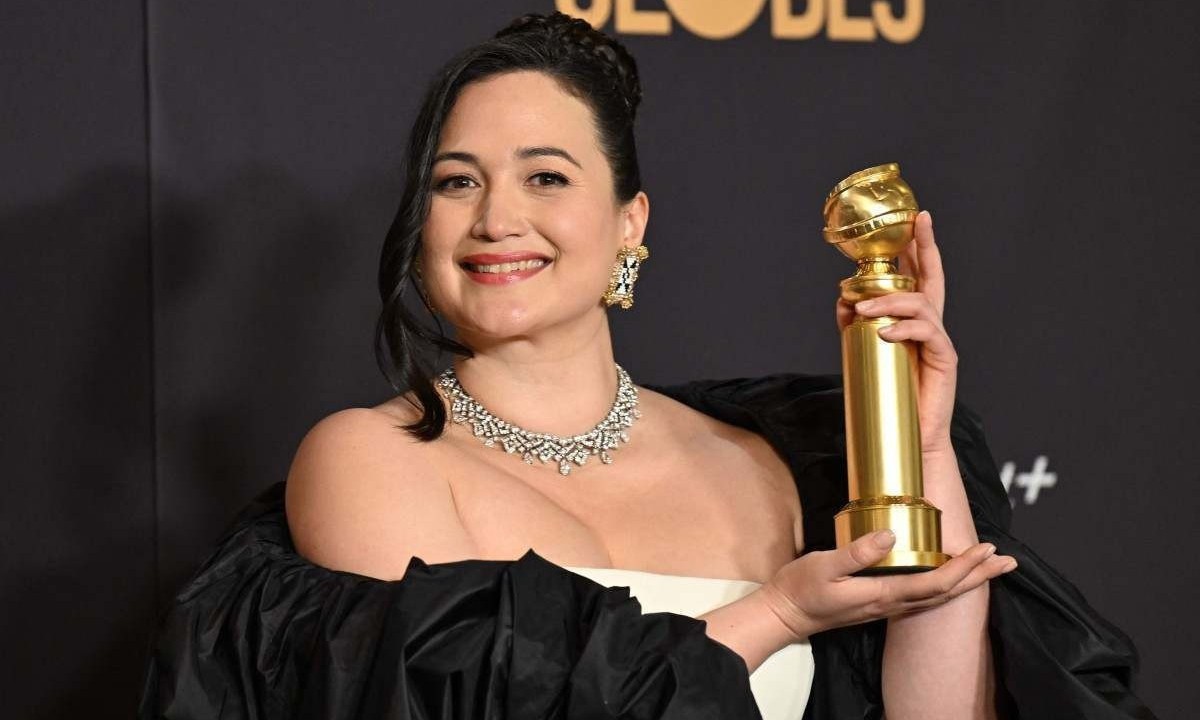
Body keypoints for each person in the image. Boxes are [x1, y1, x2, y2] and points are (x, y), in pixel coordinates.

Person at [139, 11, 1155, 720]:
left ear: (631, 223)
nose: (497, 218)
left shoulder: (758, 461)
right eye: (457, 182)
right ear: (420, 225)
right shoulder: (372, 462)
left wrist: (918, 438)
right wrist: (779, 614)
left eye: (546, 175)